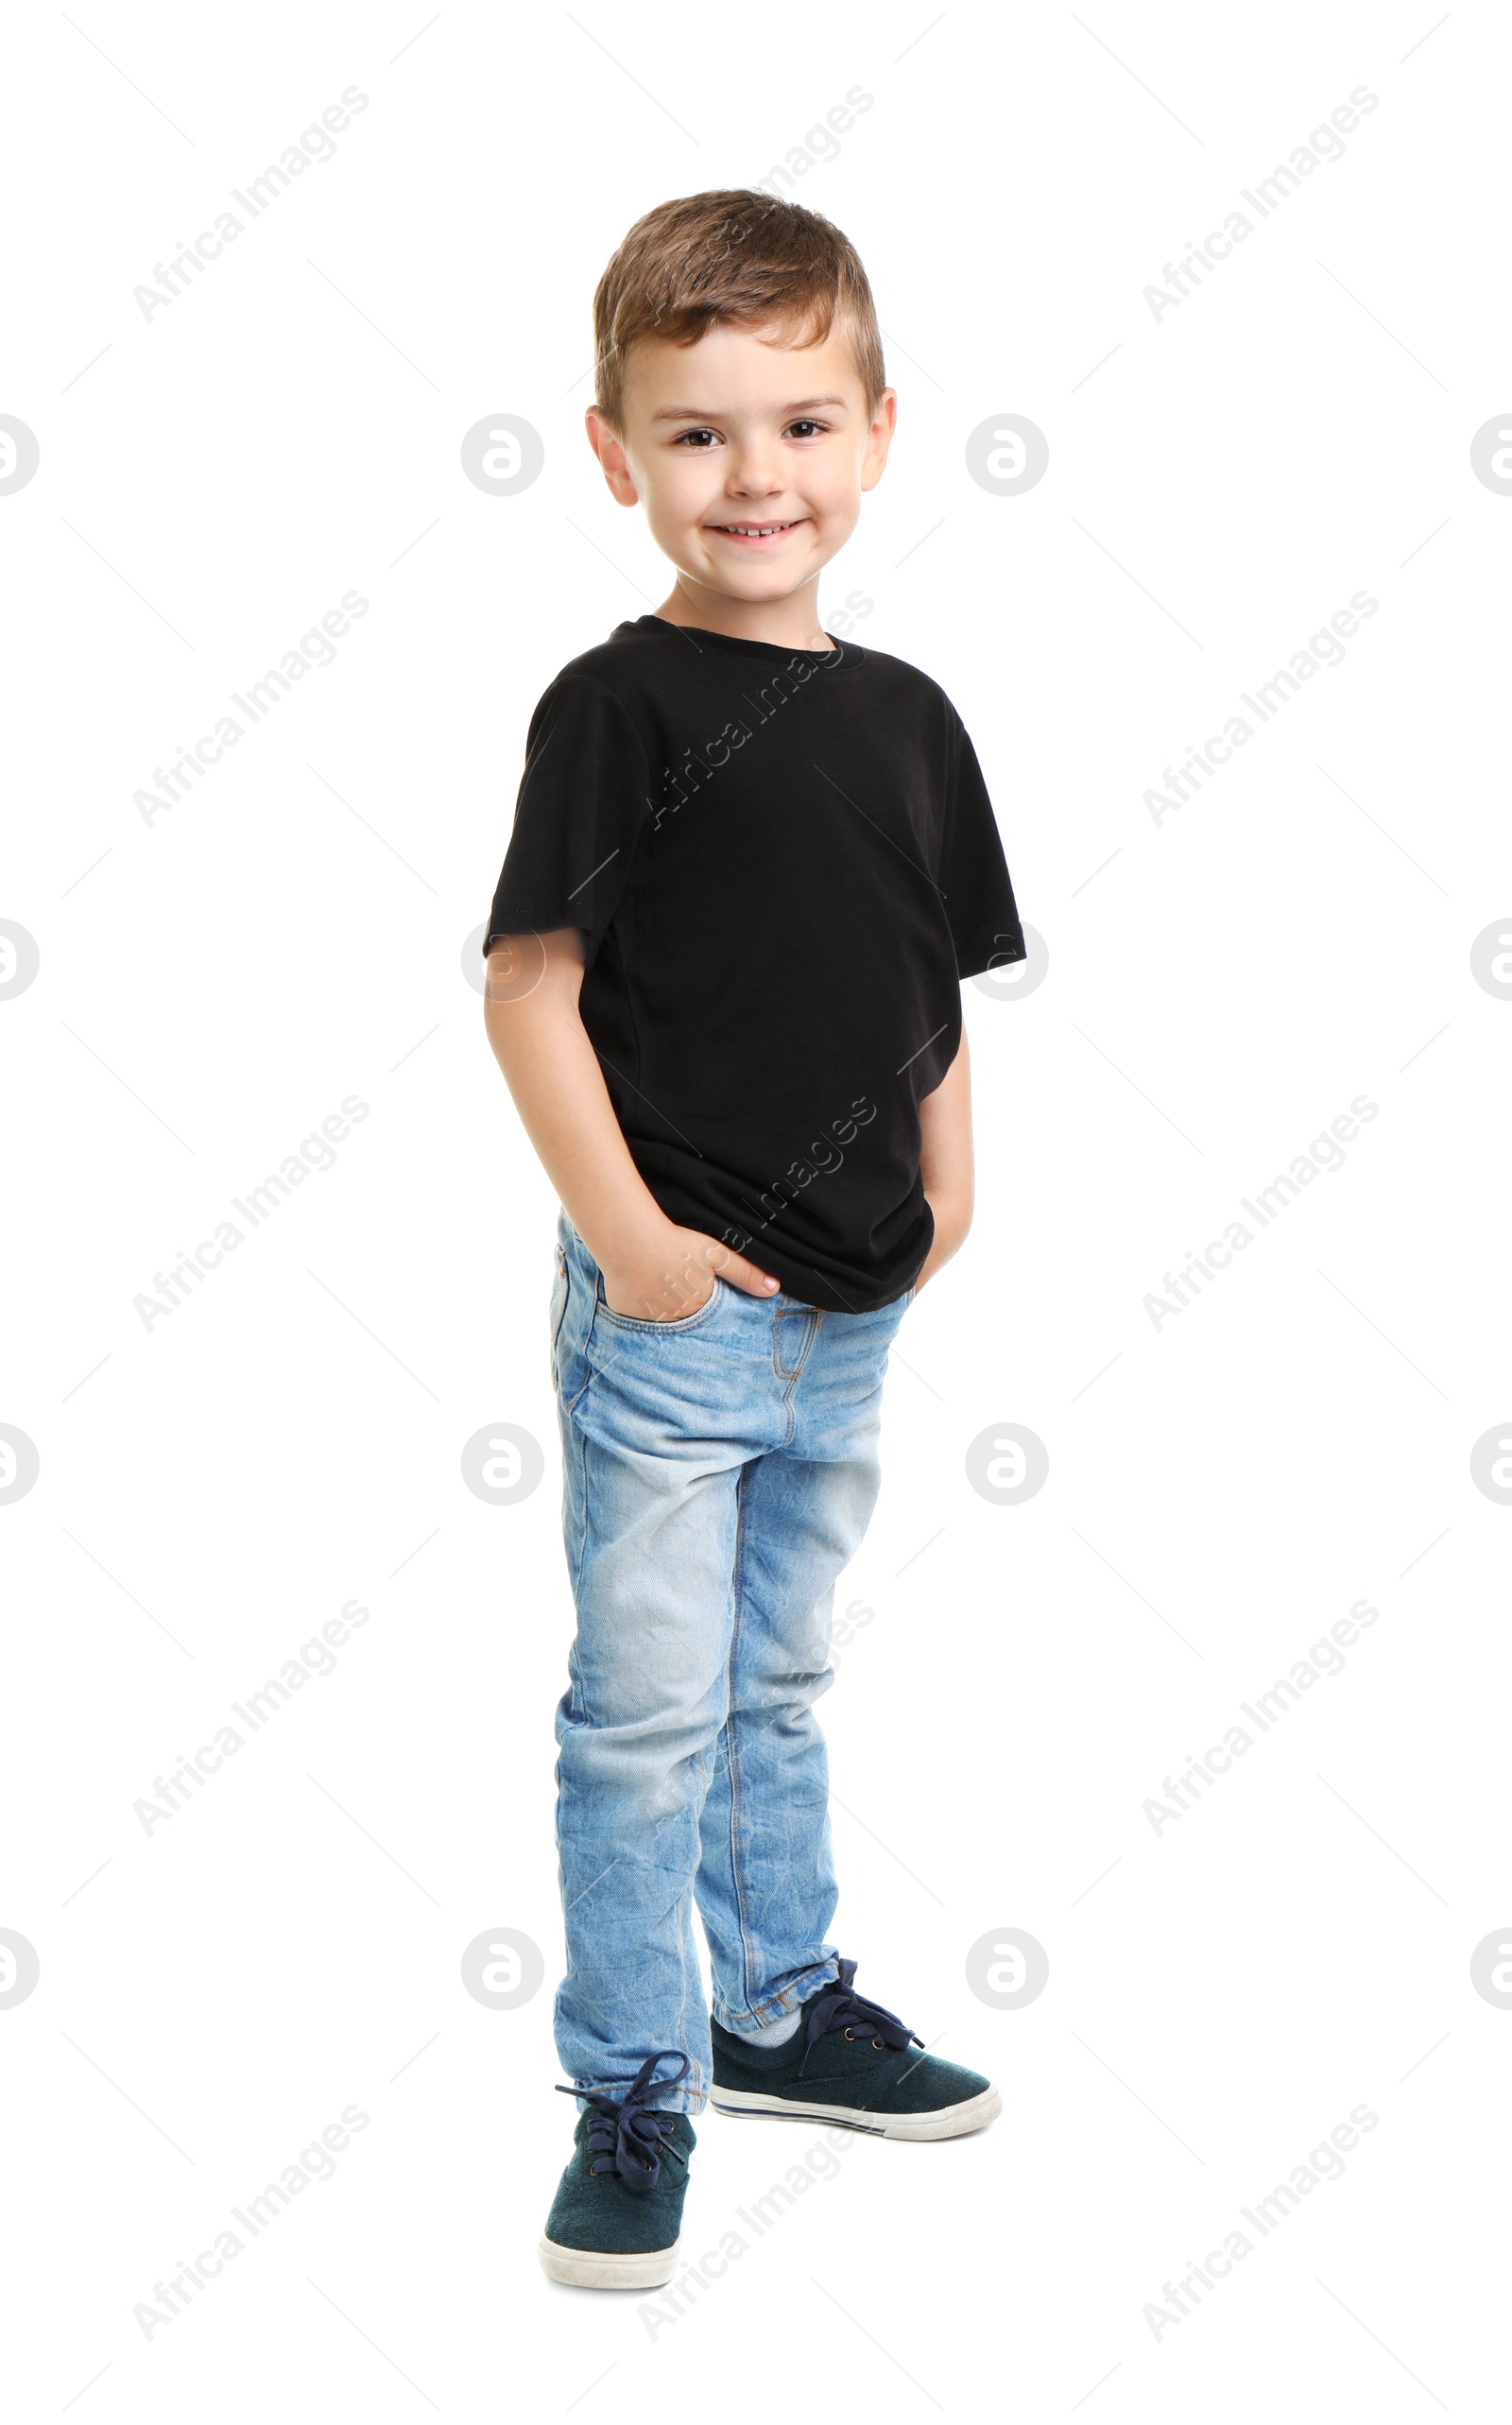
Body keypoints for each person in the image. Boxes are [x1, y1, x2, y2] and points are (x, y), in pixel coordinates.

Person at [482, 188, 1026, 2291]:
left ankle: (776, 2007)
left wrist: (950, 1182)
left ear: (880, 432)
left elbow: (929, 973)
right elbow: (531, 982)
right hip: (677, 1305)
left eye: (798, 425)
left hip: (853, 1304)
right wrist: (627, 1235)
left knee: (777, 1678)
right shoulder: (612, 708)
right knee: (644, 1705)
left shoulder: (904, 717)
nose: (752, 478)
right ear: (616, 454)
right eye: (695, 433)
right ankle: (632, 2073)